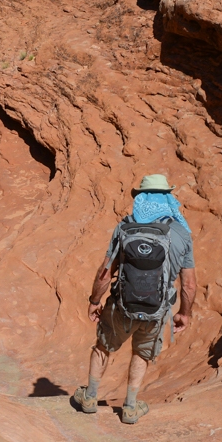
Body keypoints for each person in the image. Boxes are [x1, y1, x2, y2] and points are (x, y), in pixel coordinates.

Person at [72, 174, 196, 424]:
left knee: (103, 345)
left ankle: (90, 397)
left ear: (141, 197)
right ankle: (130, 407)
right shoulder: (183, 233)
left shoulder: (125, 227)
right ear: (169, 197)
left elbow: (105, 273)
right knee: (142, 352)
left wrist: (95, 301)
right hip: (157, 310)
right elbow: (189, 284)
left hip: (121, 307)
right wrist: (185, 312)